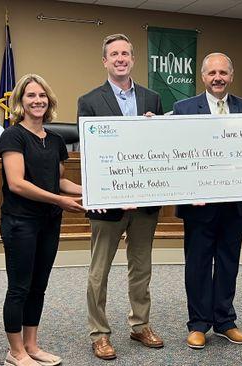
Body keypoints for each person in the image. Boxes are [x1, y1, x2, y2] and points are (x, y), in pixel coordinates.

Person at [77, 33, 164, 360]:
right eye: (114, 54)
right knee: (99, 271)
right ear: (105, 61)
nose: (120, 59)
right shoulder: (89, 100)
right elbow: (90, 151)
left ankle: (140, 324)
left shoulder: (152, 98)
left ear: (132, 58)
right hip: (109, 201)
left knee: (141, 267)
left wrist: (157, 128)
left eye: (125, 53)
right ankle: (99, 333)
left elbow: (160, 148)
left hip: (144, 200)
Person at [0, 74, 85, 366]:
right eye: (31, 96)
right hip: (20, 222)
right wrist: (59, 200)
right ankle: (15, 351)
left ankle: (31, 345)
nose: (37, 101)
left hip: (49, 222)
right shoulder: (12, 136)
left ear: (49, 101)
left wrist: (93, 191)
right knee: (19, 287)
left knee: (39, 286)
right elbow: (17, 183)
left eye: (42, 96)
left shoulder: (57, 140)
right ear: (20, 102)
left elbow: (59, 181)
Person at [172, 52, 242, 349]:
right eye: (212, 73)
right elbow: (176, 154)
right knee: (197, 263)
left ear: (231, 76)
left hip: (235, 202)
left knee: (228, 261)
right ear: (203, 77)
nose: (217, 78)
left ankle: (224, 321)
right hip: (199, 203)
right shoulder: (183, 109)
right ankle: (197, 324)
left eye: (223, 73)